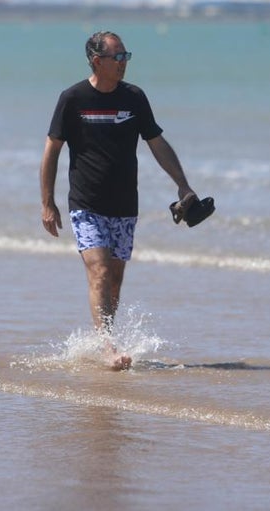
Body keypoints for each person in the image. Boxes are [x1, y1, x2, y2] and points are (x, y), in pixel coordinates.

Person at [40, 30, 200, 370]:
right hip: (85, 203)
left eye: (126, 56)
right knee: (99, 271)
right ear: (97, 61)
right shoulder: (73, 98)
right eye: (118, 57)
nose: (124, 63)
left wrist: (183, 186)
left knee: (114, 279)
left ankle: (105, 338)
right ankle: (108, 347)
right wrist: (47, 202)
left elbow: (157, 143)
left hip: (125, 205)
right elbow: (52, 149)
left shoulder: (134, 98)